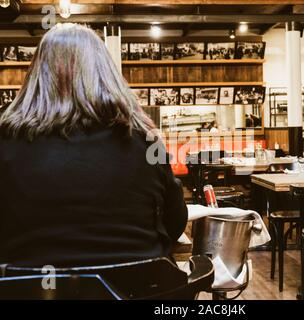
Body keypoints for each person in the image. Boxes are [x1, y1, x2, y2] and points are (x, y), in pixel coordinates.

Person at [0, 24, 187, 267]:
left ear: (37, 74)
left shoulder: (5, 138)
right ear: (105, 73)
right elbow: (175, 223)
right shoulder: (143, 139)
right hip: (137, 291)